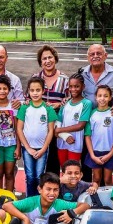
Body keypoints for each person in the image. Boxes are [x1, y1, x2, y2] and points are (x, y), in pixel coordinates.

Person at [17, 76, 57, 198]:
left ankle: (39, 200)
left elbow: (51, 131)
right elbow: (19, 128)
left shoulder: (48, 109)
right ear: (28, 91)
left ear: (43, 91)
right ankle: (30, 201)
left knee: (40, 175)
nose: (35, 93)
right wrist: (28, 148)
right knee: (30, 176)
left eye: (38, 90)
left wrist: (44, 149)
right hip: (27, 148)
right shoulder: (24, 107)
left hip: (42, 149)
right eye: (32, 90)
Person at [35, 44, 69, 175]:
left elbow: (70, 102)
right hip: (38, 125)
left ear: (55, 58)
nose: (47, 61)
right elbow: (29, 99)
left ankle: (54, 188)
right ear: (40, 62)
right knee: (39, 158)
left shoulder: (65, 80)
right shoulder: (35, 78)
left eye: (50, 57)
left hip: (57, 125)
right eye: (44, 59)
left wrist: (59, 104)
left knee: (54, 158)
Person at [84, 85, 113, 187]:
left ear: (110, 97)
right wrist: (92, 155)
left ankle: (110, 202)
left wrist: (110, 154)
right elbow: (87, 136)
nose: (102, 98)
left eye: (106, 96)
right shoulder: (92, 114)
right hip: (95, 152)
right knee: (96, 179)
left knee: (107, 179)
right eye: (100, 95)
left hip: (109, 152)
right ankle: (95, 201)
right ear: (96, 97)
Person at [0, 75, 21, 193]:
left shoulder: (14, 106)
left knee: (9, 173)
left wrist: (18, 148)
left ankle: (9, 198)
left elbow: (17, 128)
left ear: (9, 90)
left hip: (11, 144)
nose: (2, 91)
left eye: (5, 88)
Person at [55, 72, 91, 165]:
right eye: (71, 86)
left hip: (75, 142)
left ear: (83, 86)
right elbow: (59, 120)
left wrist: (59, 130)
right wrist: (64, 135)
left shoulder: (86, 103)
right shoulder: (65, 102)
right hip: (62, 141)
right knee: (64, 169)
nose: (73, 89)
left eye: (76, 86)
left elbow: (80, 125)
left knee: (73, 169)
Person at [81, 44, 113, 115]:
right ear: (88, 57)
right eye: (92, 54)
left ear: (105, 55)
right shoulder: (81, 73)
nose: (95, 56)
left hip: (107, 119)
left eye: (99, 53)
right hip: (85, 118)